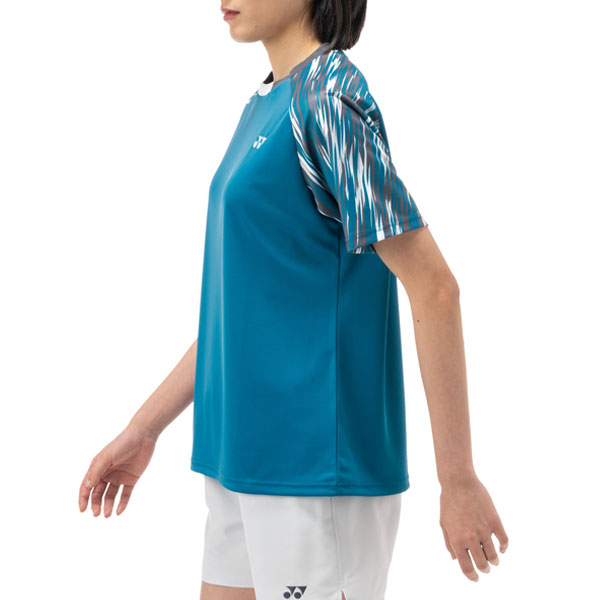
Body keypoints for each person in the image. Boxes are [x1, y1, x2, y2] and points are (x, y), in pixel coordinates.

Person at [79, 1, 509, 598]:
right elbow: (241, 315)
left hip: (313, 469)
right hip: (238, 456)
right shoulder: (267, 102)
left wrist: (457, 478)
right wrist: (143, 429)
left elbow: (435, 287)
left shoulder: (326, 102)